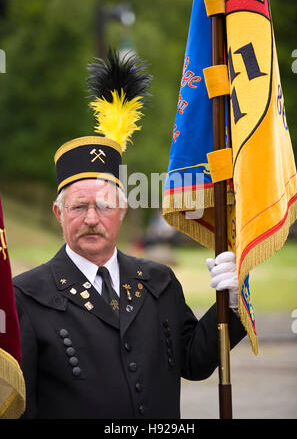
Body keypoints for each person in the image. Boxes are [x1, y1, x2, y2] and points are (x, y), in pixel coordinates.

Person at [13, 50, 246, 419]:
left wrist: (231, 304)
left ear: (122, 210)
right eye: (78, 206)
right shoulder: (25, 296)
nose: (92, 218)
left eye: (104, 205)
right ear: (59, 213)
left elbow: (194, 362)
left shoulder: (159, 282)